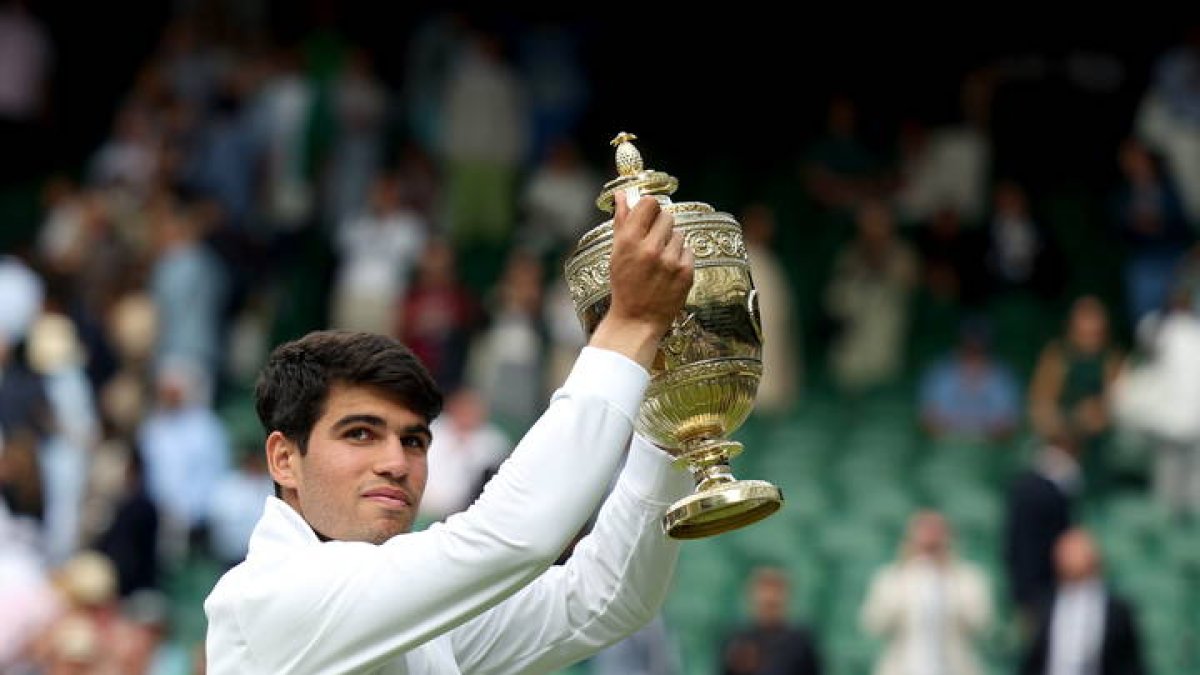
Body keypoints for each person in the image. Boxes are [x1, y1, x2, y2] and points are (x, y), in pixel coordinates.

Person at [204, 195, 696, 673]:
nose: (396, 463)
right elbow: (514, 537)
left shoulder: (413, 619)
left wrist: (667, 418)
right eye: (359, 434)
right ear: (284, 460)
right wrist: (630, 325)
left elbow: (605, 599)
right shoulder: (272, 595)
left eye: (414, 441)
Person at [860, 511, 992, 675]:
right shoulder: (891, 578)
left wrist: (947, 577)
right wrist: (907, 574)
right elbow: (875, 624)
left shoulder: (968, 578)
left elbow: (980, 624)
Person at [1019, 529, 1145, 675]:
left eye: (1075, 552)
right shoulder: (1042, 605)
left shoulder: (1117, 611)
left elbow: (1130, 664)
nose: (1068, 558)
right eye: (1064, 552)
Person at [720, 567, 822, 675]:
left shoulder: (800, 641)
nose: (770, 597)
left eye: (776, 590)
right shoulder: (737, 639)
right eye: (764, 589)